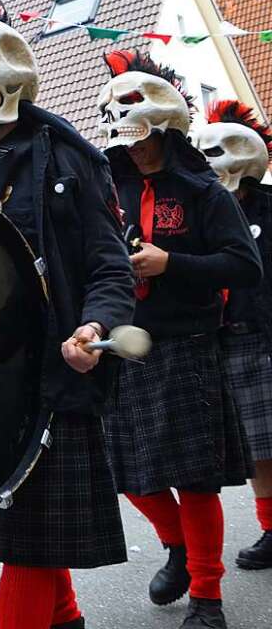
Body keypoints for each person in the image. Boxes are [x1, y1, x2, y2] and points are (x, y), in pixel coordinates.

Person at [0, 0, 135, 629]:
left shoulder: (71, 160)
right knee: (30, 539)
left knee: (27, 548)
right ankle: (66, 620)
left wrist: (93, 326)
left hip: (52, 372)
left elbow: (108, 265)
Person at [101, 52, 259, 629]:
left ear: (166, 130)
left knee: (194, 481)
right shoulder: (106, 184)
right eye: (125, 139)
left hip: (188, 346)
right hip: (123, 347)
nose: (132, 149)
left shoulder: (203, 190)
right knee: (127, 474)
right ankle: (177, 547)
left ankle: (208, 597)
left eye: (141, 138)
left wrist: (172, 263)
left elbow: (244, 267)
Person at [195, 100, 272, 570]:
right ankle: (271, 528)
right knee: (256, 449)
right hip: (224, 341)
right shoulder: (202, 209)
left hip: (265, 335)